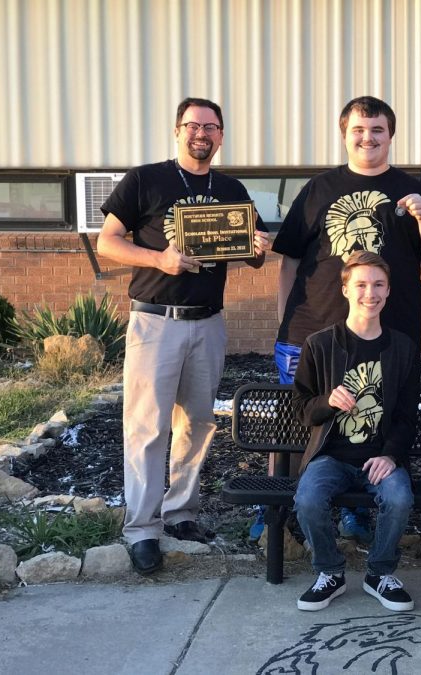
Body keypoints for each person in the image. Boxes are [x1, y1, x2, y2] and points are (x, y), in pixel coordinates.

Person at [97, 97, 269, 575]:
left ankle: (181, 514)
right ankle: (142, 529)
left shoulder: (231, 188)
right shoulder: (145, 179)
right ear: (177, 131)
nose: (202, 134)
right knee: (148, 427)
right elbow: (106, 241)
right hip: (156, 321)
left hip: (209, 322)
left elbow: (250, 252)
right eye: (193, 125)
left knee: (197, 424)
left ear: (221, 136)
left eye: (211, 127)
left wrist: (258, 248)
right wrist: (159, 259)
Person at [270, 95, 421, 542]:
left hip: (388, 334)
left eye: (377, 130)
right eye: (358, 129)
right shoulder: (318, 189)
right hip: (312, 329)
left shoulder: (412, 191)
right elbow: (290, 261)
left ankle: (359, 512)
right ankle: (273, 509)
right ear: (344, 134)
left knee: (376, 415)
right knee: (295, 418)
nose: (367, 138)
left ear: (390, 135)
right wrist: (283, 323)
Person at [291, 251, 419, 612]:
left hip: (379, 457)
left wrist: (391, 454)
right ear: (345, 289)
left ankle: (379, 573)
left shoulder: (402, 348)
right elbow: (302, 409)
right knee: (308, 499)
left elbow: (407, 417)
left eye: (378, 284)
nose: (370, 293)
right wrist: (327, 402)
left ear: (389, 290)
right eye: (361, 284)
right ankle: (330, 572)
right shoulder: (320, 345)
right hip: (330, 455)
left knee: (398, 498)